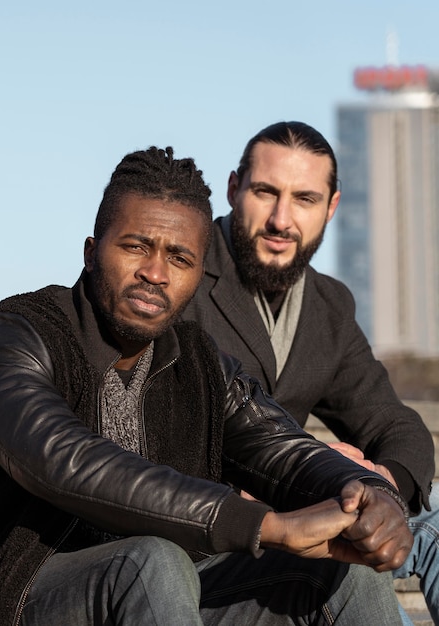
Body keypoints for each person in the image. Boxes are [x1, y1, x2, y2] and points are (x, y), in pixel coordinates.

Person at [0, 146, 412, 626]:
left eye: (180, 257)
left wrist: (373, 497)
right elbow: (61, 458)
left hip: (161, 597)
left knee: (346, 571)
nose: (155, 273)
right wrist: (264, 525)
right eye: (135, 246)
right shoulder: (8, 337)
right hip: (8, 593)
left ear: (196, 273)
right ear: (91, 253)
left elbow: (283, 448)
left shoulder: (201, 363)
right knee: (153, 561)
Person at [181, 121, 438, 622]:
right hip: (209, 533)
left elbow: (394, 424)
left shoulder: (327, 305)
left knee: (429, 520)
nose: (282, 219)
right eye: (265, 192)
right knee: (350, 570)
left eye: (304, 199)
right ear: (234, 189)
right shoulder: (181, 269)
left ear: (331, 207)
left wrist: (381, 482)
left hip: (306, 517)